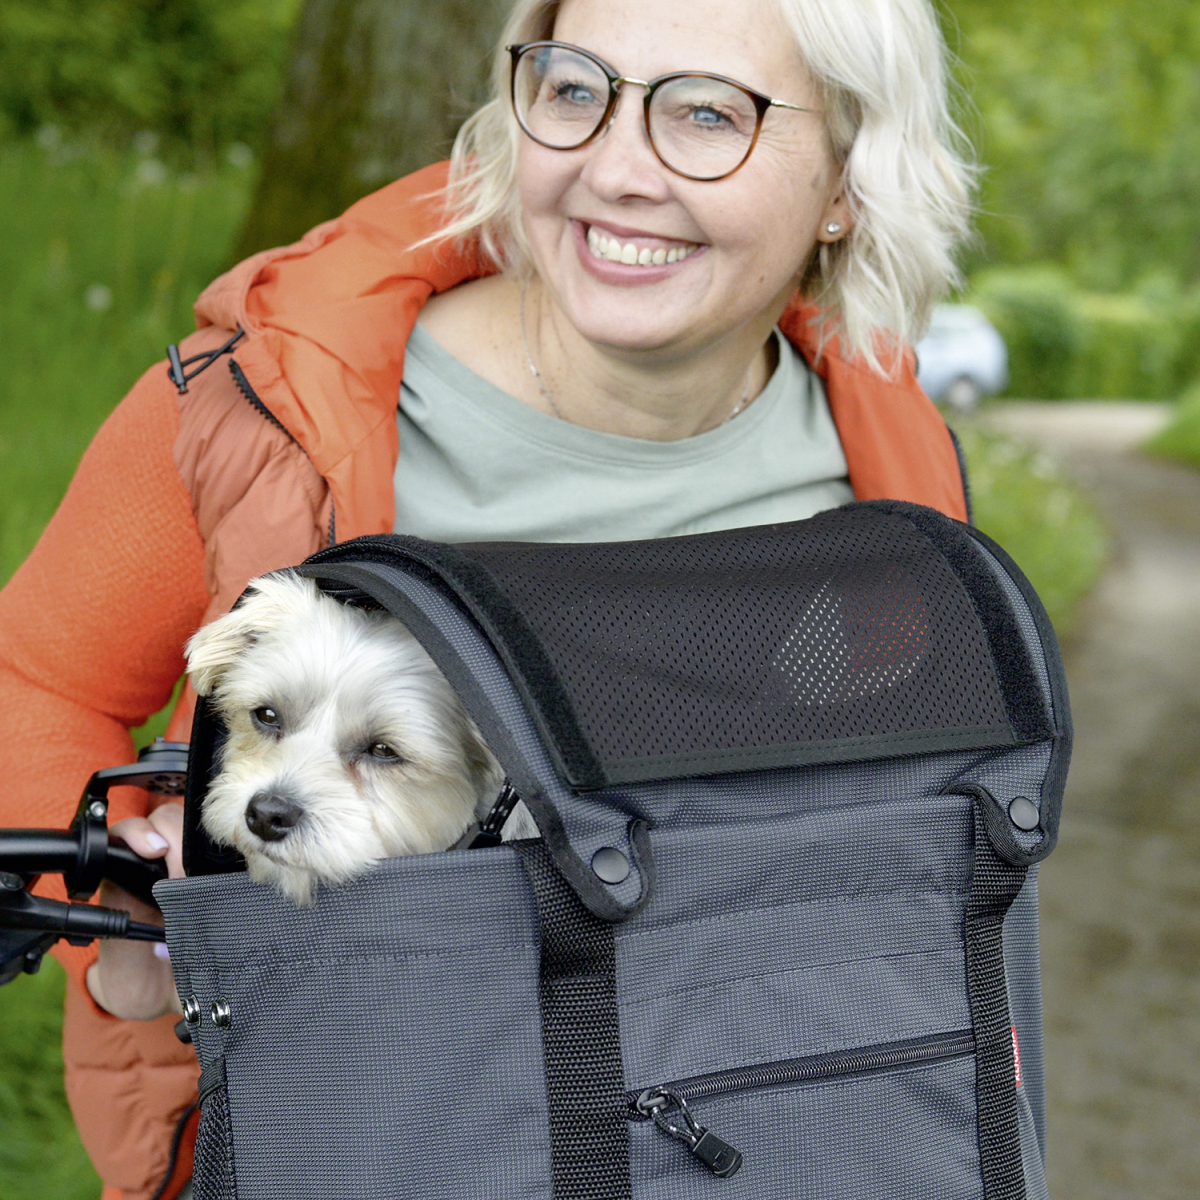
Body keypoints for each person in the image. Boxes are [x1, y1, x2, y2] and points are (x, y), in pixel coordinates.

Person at [0, 0, 974, 1195]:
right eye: (575, 90)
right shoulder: (269, 405)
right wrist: (129, 928)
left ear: (846, 180)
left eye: (708, 114)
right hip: (347, 1133)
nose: (616, 170)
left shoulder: (886, 473)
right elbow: (38, 680)